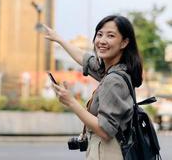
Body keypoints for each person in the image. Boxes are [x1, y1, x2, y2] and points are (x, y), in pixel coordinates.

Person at [42, 15, 143, 160]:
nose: (102, 41)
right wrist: (59, 39)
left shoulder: (113, 80)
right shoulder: (115, 70)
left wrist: (70, 102)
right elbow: (85, 60)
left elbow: (105, 130)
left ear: (124, 43)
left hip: (107, 153)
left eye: (111, 36)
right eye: (99, 34)